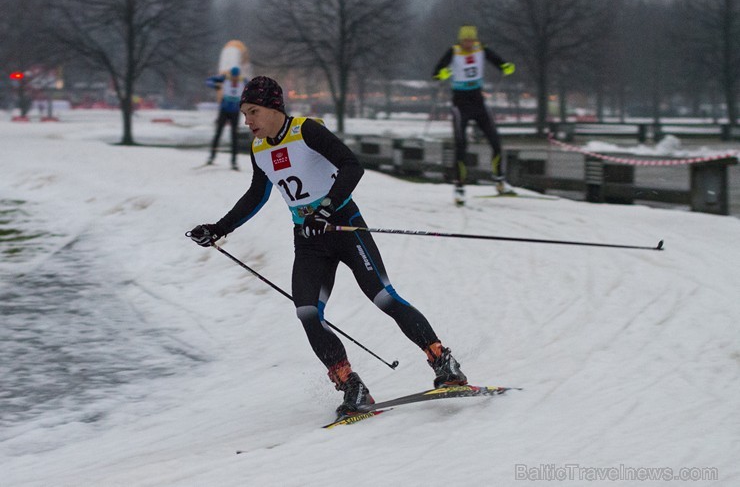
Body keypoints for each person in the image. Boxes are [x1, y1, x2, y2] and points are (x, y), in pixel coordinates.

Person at [189, 76, 467, 417]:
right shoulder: (259, 148)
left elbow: (352, 166)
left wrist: (327, 206)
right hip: (308, 241)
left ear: (274, 108)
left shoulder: (307, 131)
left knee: (383, 297)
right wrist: (218, 229)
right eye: (245, 113)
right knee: (307, 312)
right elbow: (255, 195)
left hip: (344, 226)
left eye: (253, 112)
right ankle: (352, 384)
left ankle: (443, 360)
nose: (247, 121)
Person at [432, 24, 516, 206]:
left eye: (471, 40)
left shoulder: (481, 49)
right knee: (461, 145)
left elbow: (498, 61)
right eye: (465, 40)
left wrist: (506, 66)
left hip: (478, 101)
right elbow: (435, 73)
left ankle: (499, 180)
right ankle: (459, 188)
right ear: (460, 40)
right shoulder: (453, 52)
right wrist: (442, 74)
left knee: (495, 141)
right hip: (460, 104)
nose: (468, 43)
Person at [205, 66, 245, 170]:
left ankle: (234, 162)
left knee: (234, 136)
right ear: (230, 74)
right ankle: (211, 157)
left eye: (236, 76)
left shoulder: (243, 80)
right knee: (218, 133)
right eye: (233, 76)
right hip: (224, 110)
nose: (234, 78)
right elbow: (208, 81)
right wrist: (215, 85)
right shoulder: (224, 78)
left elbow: (254, 87)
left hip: (235, 111)